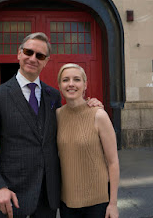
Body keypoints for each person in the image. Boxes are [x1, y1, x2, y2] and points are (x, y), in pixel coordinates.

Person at [0, 32, 102, 218]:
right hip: (12, 196)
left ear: (46, 61)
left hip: (49, 198)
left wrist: (90, 107)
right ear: (19, 53)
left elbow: (69, 126)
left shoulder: (53, 96)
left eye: (40, 56)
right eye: (29, 52)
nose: (33, 58)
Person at [56, 63, 119, 218]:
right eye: (65, 80)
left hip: (97, 203)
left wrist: (113, 204)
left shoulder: (99, 115)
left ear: (85, 85)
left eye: (76, 79)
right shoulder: (57, 115)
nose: (71, 84)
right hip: (67, 203)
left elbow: (113, 162)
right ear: (59, 86)